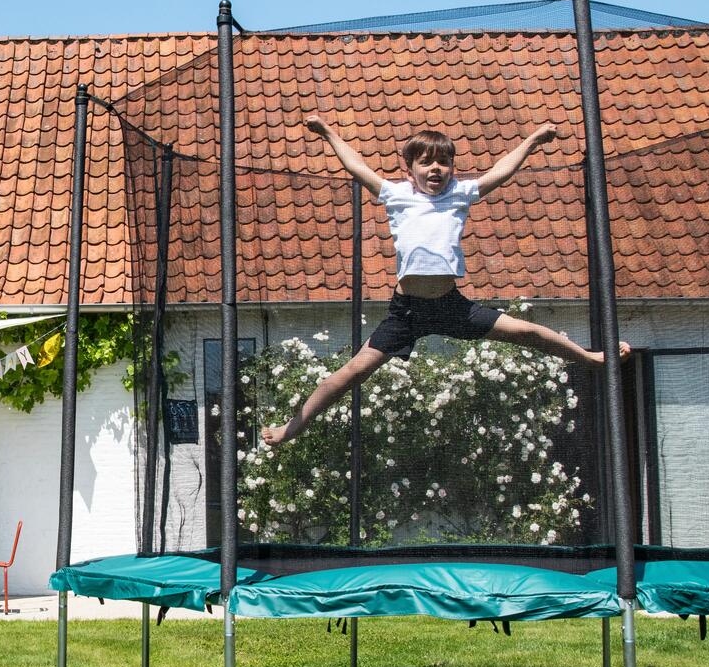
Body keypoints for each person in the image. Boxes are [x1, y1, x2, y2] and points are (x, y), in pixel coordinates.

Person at [263, 117, 630, 446]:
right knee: (350, 374)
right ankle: (291, 428)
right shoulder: (396, 195)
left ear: (453, 170)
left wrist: (532, 141)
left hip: (451, 306)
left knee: (527, 332)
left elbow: (501, 171)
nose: (436, 168)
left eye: (443, 162)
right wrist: (328, 133)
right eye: (426, 162)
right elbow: (357, 166)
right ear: (409, 171)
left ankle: (591, 358)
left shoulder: (460, 195)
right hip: (406, 312)